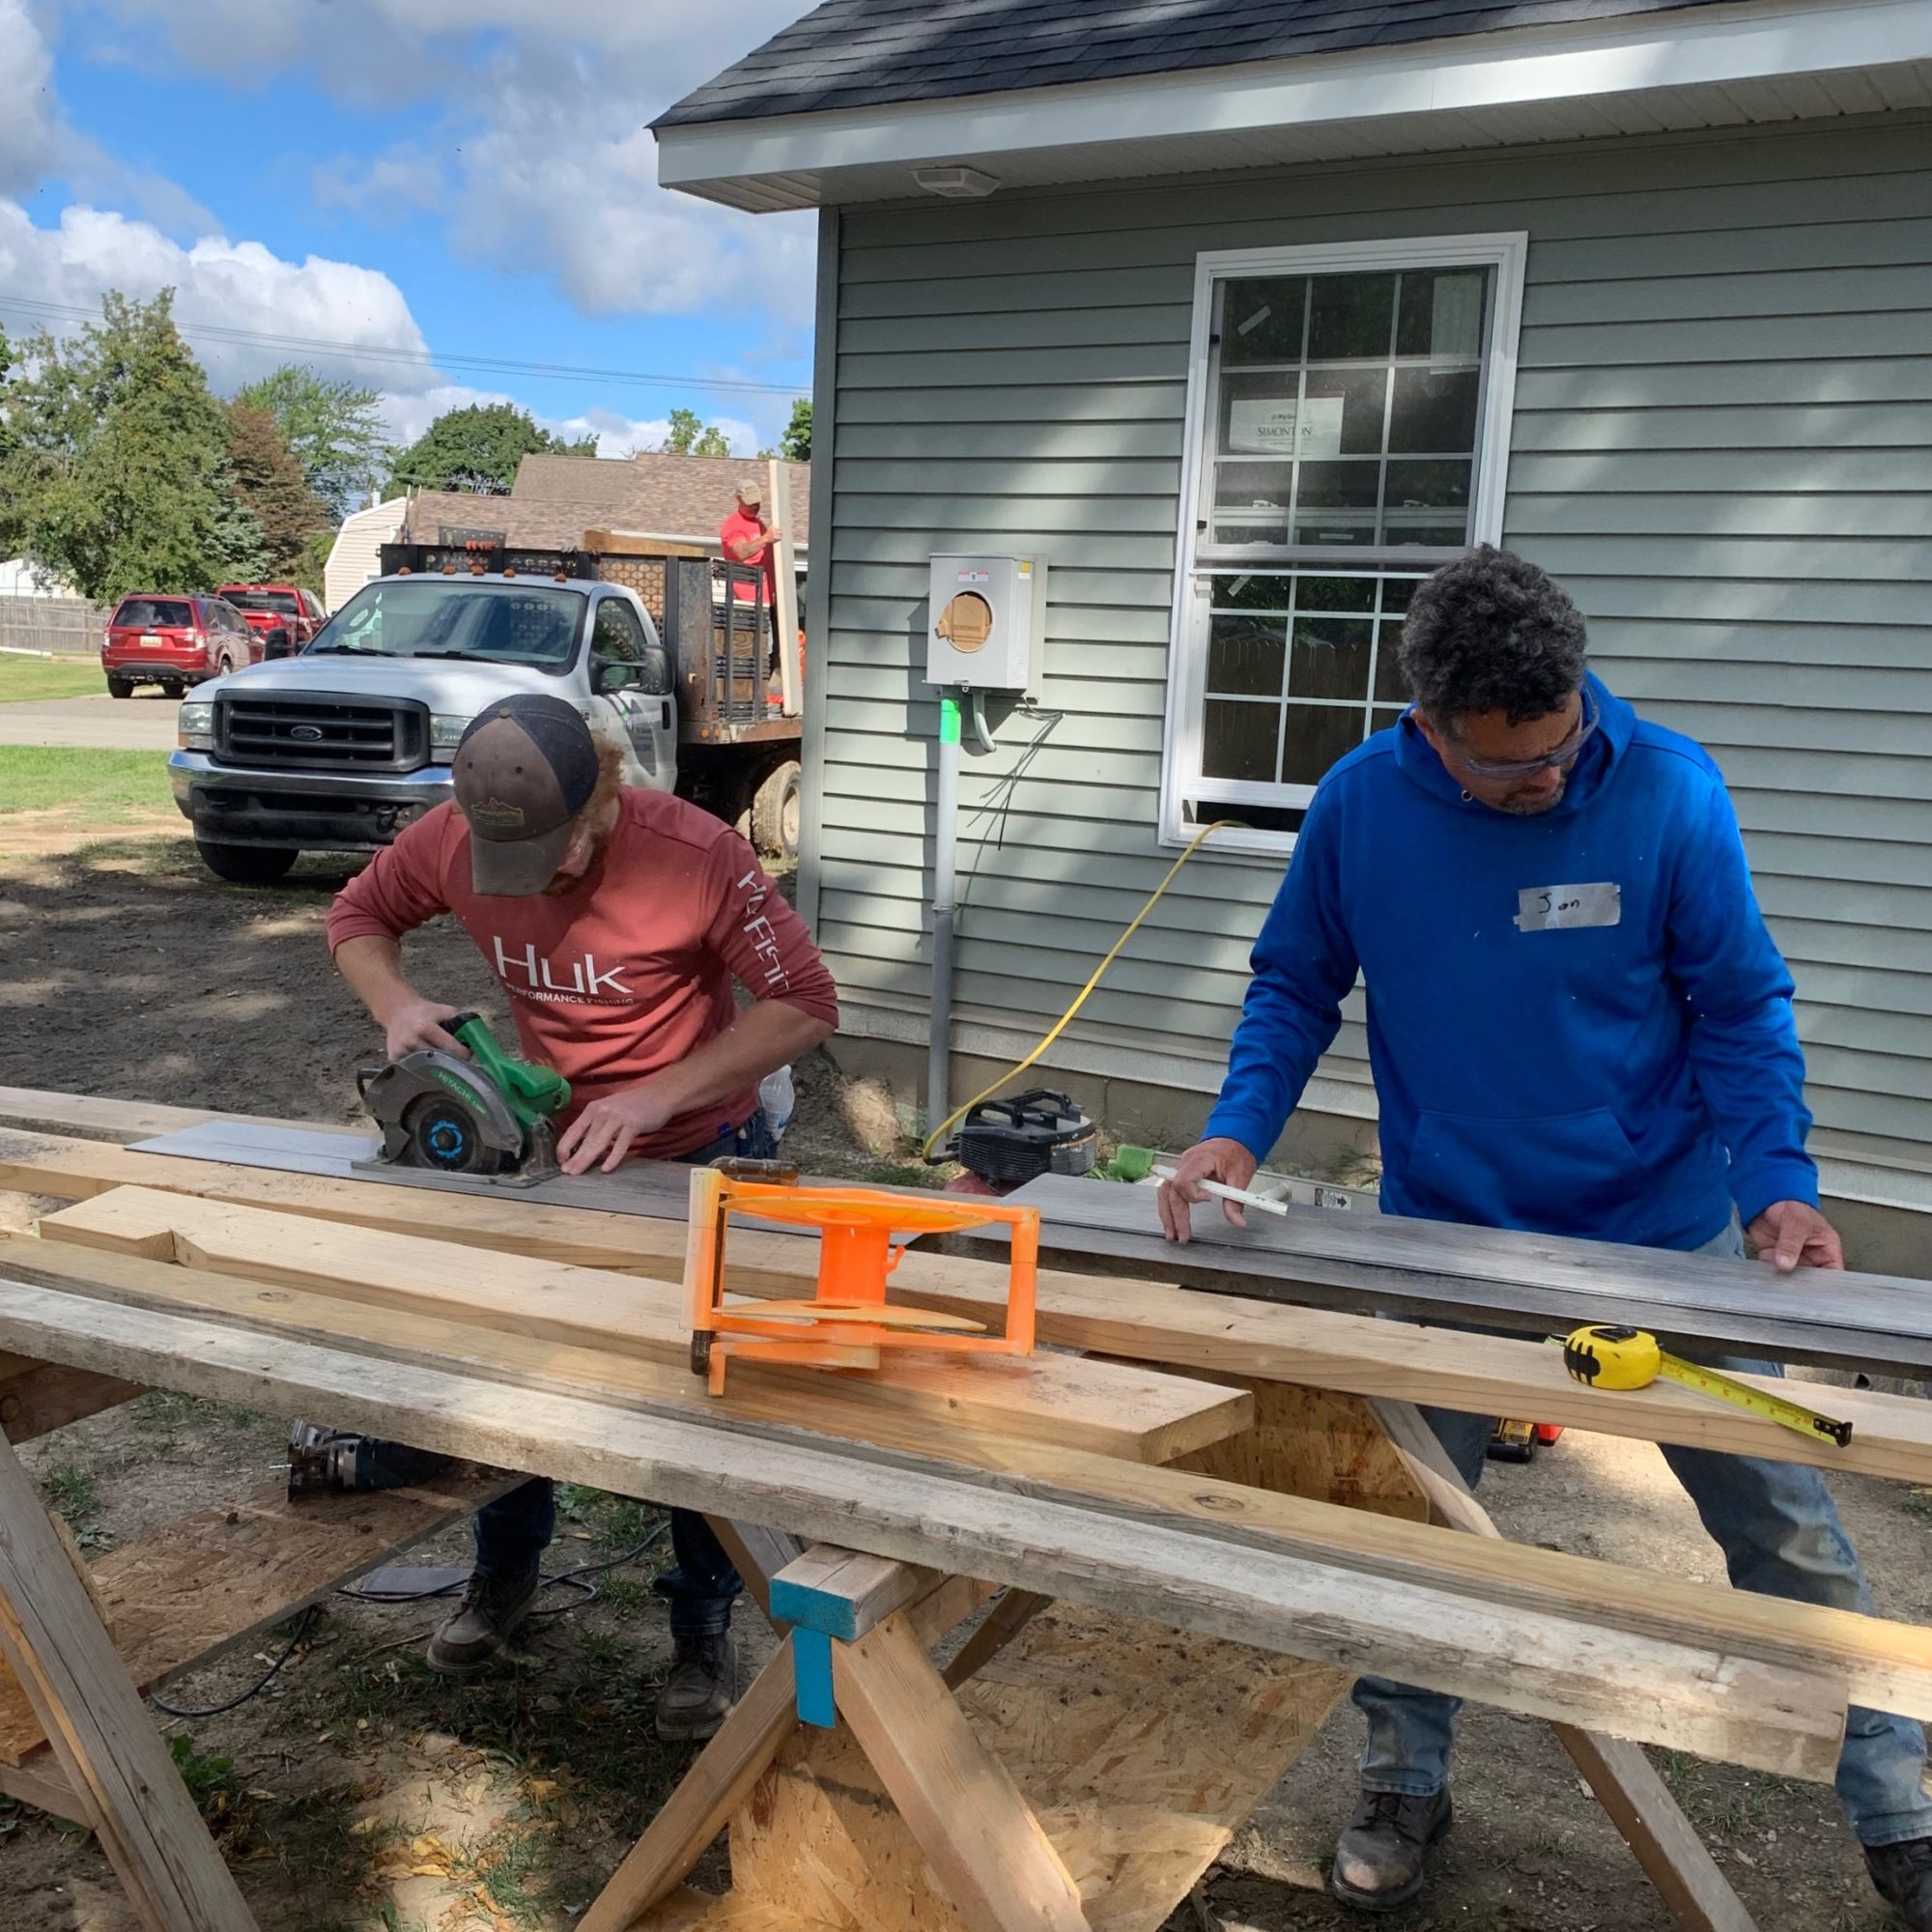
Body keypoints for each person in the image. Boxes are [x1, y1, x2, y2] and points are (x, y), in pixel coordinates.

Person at [1156, 546, 1932, 1926]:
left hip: (1660, 1238)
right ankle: (1407, 1776)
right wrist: (1236, 1129)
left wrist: (1784, 1183)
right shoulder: (1357, 807)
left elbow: (1743, 1008)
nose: (1548, 782)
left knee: (1785, 1528)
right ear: (1430, 730)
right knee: (1417, 1534)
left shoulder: (1671, 793)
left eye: (1562, 749)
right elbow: (1293, 986)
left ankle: (1898, 1803)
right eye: (1512, 771)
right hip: (1449, 1242)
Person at [326, 693, 838, 1740]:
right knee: (513, 1372)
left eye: (560, 853)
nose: (544, 879)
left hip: (698, 1149)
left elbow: (804, 1005)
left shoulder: (693, 855)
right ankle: (502, 1576)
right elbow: (356, 919)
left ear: (604, 796)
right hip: (555, 1156)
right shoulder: (452, 838)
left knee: (701, 1406)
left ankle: (701, 1626)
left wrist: (658, 1094)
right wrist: (396, 1006)